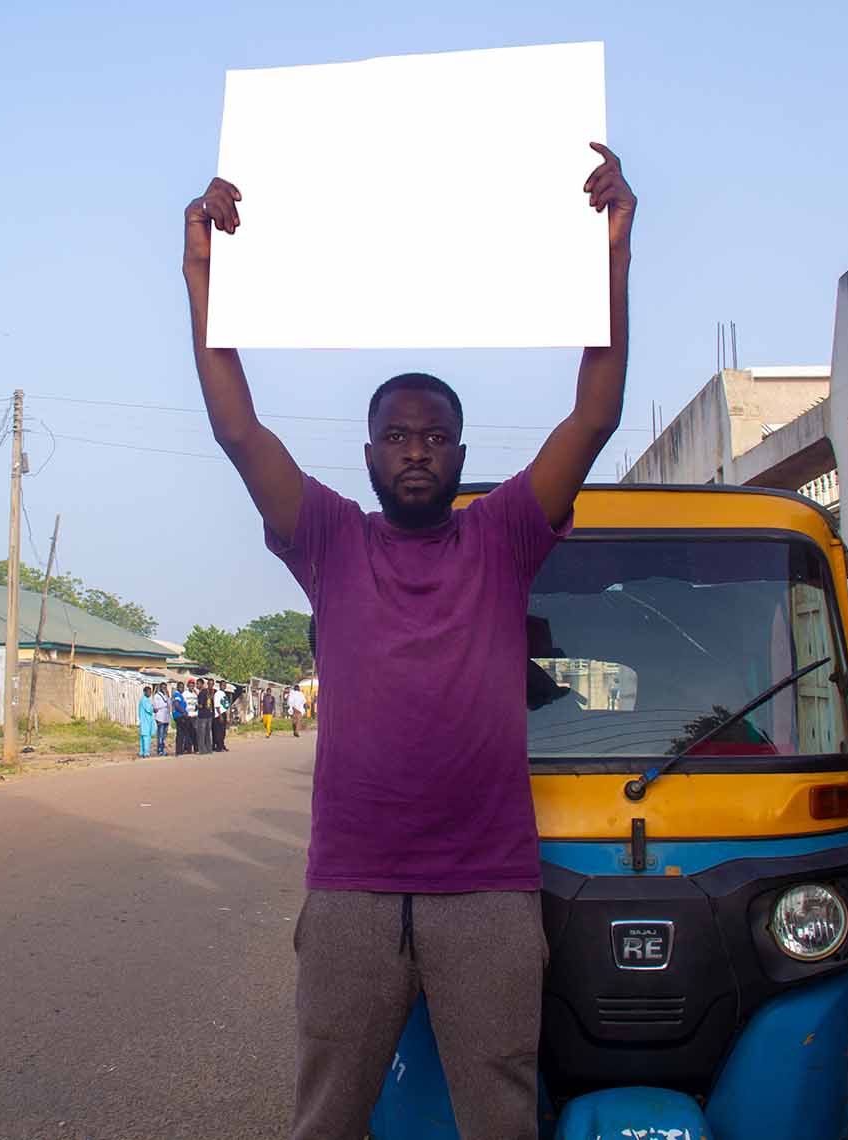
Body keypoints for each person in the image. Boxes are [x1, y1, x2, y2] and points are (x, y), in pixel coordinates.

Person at [184, 142, 636, 1140]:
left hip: (487, 895)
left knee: (500, 1122)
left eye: (434, 435)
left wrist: (612, 251)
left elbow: (594, 411)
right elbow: (236, 429)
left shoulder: (505, 534)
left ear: (462, 454)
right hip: (349, 890)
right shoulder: (330, 540)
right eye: (398, 435)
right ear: (370, 455)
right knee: (326, 1120)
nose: (417, 449)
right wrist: (202, 276)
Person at [195, 679, 215, 760]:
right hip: (209, 715)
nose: (197, 685)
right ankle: (209, 749)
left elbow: (201, 705)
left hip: (203, 715)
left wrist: (196, 706)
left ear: (203, 684)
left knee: (201, 733)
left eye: (198, 684)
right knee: (208, 733)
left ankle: (202, 750)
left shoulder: (202, 693)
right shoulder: (209, 692)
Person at [176, 682, 196, 755]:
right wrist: (184, 712)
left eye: (193, 686)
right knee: (182, 734)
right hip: (183, 716)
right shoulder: (180, 695)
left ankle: (188, 749)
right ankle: (181, 750)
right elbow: (177, 705)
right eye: (180, 687)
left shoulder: (194, 694)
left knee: (190, 733)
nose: (191, 687)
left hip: (192, 715)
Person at [152, 683, 171, 756]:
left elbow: (169, 705)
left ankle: (162, 749)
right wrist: (165, 705)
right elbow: (156, 706)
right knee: (160, 735)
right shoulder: (157, 696)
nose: (164, 689)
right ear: (160, 688)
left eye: (165, 687)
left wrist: (168, 697)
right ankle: (159, 750)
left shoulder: (166, 696)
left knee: (164, 735)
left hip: (166, 718)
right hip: (160, 718)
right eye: (163, 688)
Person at [137, 685, 156, 758]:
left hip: (145, 721)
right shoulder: (144, 700)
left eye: (150, 692)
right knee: (146, 738)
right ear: (144, 692)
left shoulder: (145, 700)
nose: (150, 693)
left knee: (143, 738)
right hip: (146, 722)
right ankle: (146, 753)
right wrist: (154, 709)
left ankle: (142, 752)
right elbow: (149, 709)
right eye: (148, 692)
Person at [212, 681, 230, 752]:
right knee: (219, 732)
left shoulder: (224, 693)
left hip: (224, 713)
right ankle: (219, 747)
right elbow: (217, 705)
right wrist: (220, 715)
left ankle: (222, 745)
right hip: (219, 714)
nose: (224, 686)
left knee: (223, 732)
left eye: (225, 685)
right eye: (223, 685)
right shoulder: (218, 694)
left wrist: (227, 716)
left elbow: (225, 705)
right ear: (220, 686)